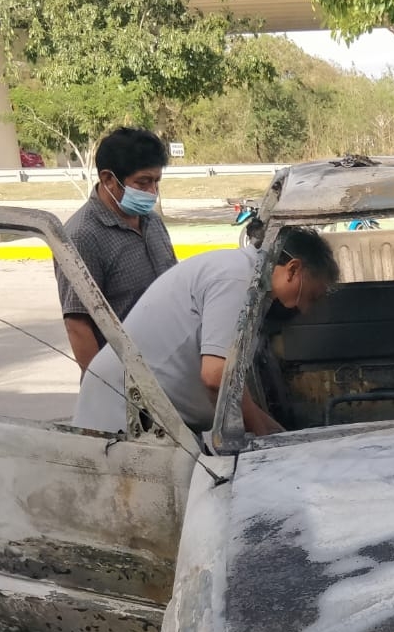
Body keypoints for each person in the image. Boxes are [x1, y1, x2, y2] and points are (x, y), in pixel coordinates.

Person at [71, 226, 339, 438]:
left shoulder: (252, 284)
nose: (305, 308)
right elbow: (217, 377)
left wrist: (273, 430)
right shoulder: (237, 279)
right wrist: (261, 436)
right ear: (293, 269)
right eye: (311, 296)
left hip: (147, 415)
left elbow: (234, 383)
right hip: (119, 414)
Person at [56, 128, 178, 372]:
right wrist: (104, 389)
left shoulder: (151, 222)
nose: (152, 192)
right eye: (143, 183)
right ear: (108, 179)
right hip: (126, 378)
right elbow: (78, 325)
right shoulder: (82, 235)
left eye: (156, 182)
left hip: (170, 365)